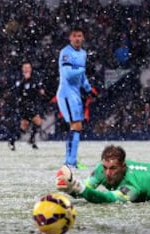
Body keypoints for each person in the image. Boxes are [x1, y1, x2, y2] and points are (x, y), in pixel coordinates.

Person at [56, 26, 97, 169]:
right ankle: (70, 162)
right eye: (75, 36)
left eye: (80, 36)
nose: (77, 38)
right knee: (76, 126)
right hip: (66, 93)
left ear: (83, 37)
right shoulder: (66, 53)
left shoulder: (83, 53)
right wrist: (82, 68)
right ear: (70, 38)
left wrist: (88, 89)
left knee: (76, 127)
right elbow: (68, 74)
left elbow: (81, 76)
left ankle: (69, 162)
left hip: (76, 94)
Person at [8, 61, 45, 151]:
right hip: (24, 105)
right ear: (22, 69)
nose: (27, 69)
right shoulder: (19, 79)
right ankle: (30, 140)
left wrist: (40, 90)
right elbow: (17, 92)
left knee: (26, 125)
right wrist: (24, 82)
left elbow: (37, 88)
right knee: (36, 121)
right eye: (25, 67)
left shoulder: (34, 78)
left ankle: (13, 141)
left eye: (28, 67)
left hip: (32, 104)